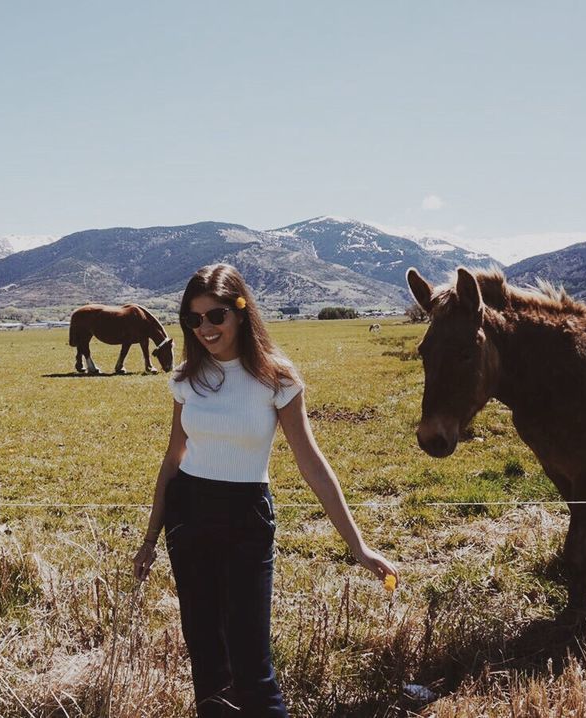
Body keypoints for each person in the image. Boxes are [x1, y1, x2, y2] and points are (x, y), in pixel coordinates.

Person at [132, 264, 398, 717]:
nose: (205, 329)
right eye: (193, 320)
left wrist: (359, 546)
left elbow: (312, 463)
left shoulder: (277, 378)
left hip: (246, 519)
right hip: (188, 517)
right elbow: (173, 458)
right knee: (207, 661)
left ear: (240, 311)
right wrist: (150, 539)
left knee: (252, 666)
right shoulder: (184, 380)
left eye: (214, 316)